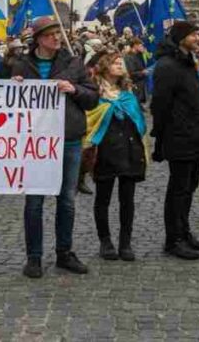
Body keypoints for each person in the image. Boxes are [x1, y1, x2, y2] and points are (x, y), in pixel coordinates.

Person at [12, 16, 99, 279]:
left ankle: (64, 253)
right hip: (35, 142)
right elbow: (2, 102)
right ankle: (34, 257)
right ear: (38, 39)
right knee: (34, 201)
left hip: (68, 139)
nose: (57, 38)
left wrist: (73, 89)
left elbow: (92, 98)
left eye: (58, 34)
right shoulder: (21, 65)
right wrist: (12, 88)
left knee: (67, 200)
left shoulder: (72, 63)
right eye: (51, 35)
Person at [151, 21, 199, 261]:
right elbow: (161, 104)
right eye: (193, 34)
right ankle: (173, 239)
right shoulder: (167, 66)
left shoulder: (188, 63)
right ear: (181, 38)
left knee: (190, 187)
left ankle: (184, 231)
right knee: (177, 190)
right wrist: (160, 137)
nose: (198, 37)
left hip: (195, 134)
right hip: (178, 136)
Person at [84, 51, 146, 262]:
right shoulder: (95, 92)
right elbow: (89, 119)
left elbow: (139, 122)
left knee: (127, 199)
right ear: (105, 66)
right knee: (103, 198)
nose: (121, 66)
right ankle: (105, 241)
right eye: (116, 63)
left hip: (129, 150)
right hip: (106, 151)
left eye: (122, 63)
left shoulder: (128, 93)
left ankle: (125, 242)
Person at [123, 38, 149, 103]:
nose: (142, 47)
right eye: (140, 45)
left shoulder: (139, 54)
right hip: (136, 83)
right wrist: (142, 72)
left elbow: (144, 65)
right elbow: (131, 72)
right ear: (135, 45)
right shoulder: (128, 57)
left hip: (142, 82)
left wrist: (144, 53)